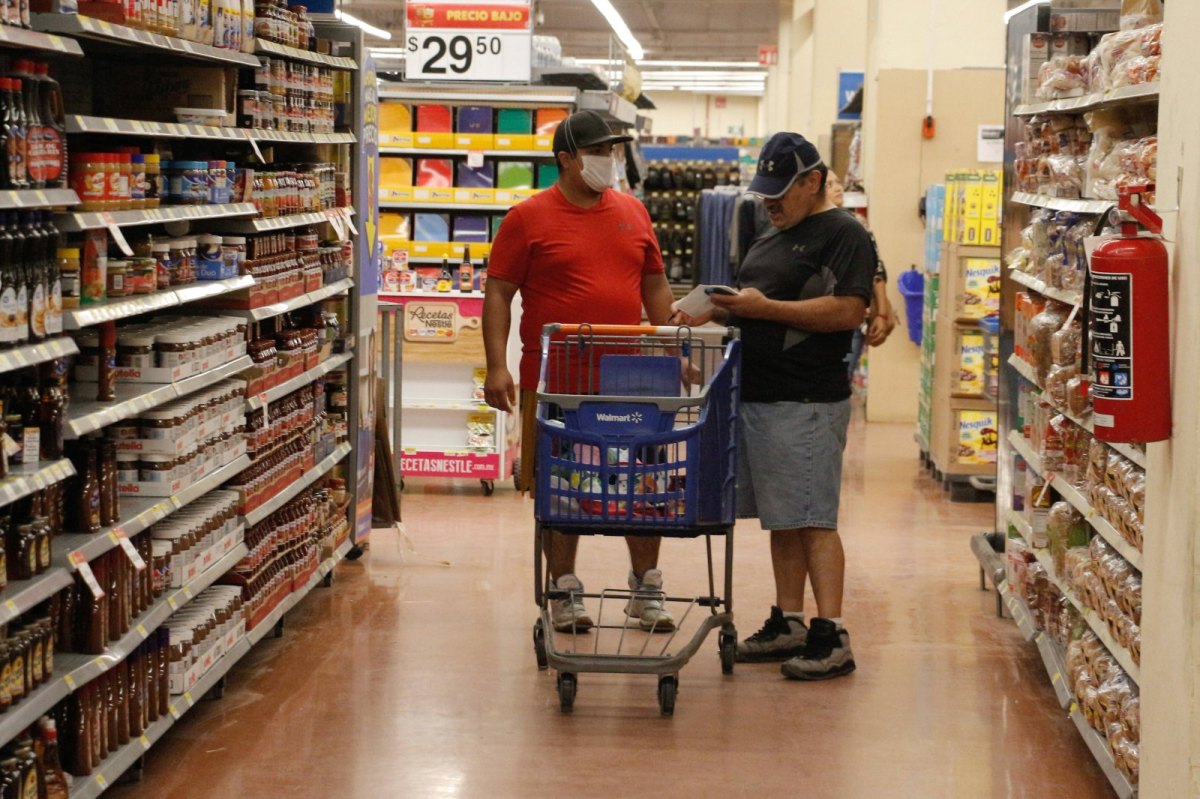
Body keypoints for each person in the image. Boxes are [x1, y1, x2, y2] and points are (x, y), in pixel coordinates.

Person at [671, 132, 875, 680]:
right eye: (764, 194)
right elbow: (759, 308)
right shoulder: (772, 232)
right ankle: (789, 621)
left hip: (805, 398)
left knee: (813, 518)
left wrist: (767, 308)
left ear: (812, 182)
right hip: (760, 394)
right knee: (782, 521)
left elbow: (848, 312)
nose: (769, 203)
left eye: (780, 193)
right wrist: (718, 311)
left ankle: (831, 633)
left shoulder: (844, 235)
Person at [481, 110, 678, 634]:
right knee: (562, 487)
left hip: (631, 379)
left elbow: (654, 282)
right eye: (599, 151)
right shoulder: (527, 218)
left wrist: (673, 345)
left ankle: (646, 588)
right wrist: (497, 365)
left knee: (642, 484)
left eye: (613, 150)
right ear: (566, 159)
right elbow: (498, 292)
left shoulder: (634, 212)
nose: (609, 160)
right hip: (556, 381)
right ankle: (564, 588)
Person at [824, 171, 897, 377]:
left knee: (841, 377)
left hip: (852, 318)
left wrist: (881, 313)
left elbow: (877, 270)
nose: (838, 188)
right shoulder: (814, 227)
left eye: (838, 182)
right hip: (823, 316)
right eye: (830, 185)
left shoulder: (857, 223)